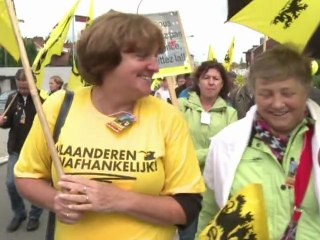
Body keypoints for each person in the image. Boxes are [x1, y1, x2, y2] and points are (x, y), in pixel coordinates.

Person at [14, 11, 205, 240]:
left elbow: (187, 208)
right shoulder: (59, 106)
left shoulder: (168, 117)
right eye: (142, 56)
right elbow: (26, 176)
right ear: (105, 58)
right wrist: (55, 201)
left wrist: (117, 199)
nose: (155, 66)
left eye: (156, 56)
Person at [199, 45, 320, 239]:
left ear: (306, 91)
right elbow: (210, 215)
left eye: (287, 93)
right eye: (266, 94)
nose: (278, 103)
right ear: (254, 92)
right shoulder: (225, 144)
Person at [178, 60, 237, 240]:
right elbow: (174, 143)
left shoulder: (230, 113)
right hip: (185, 182)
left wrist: (195, 155)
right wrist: (211, 150)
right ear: (198, 81)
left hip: (214, 184)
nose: (211, 82)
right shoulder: (181, 106)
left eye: (216, 78)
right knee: (187, 233)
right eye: (206, 78)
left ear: (222, 83)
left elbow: (229, 149)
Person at [0, 69, 46, 232]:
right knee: (11, 184)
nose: (22, 91)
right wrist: (2, 122)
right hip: (16, 149)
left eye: (25, 88)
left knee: (37, 186)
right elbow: (8, 124)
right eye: (20, 87)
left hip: (36, 151)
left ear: (33, 83)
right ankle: (19, 213)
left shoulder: (43, 99)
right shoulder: (13, 98)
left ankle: (34, 216)